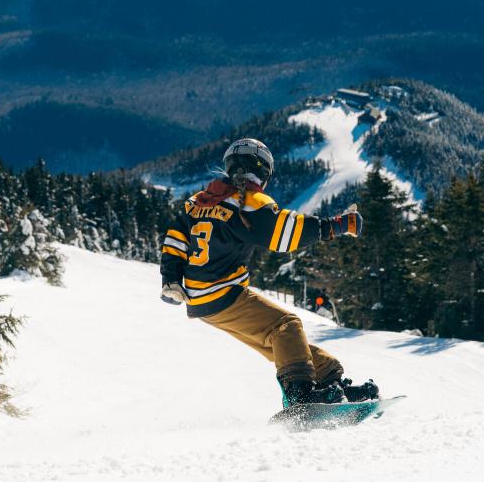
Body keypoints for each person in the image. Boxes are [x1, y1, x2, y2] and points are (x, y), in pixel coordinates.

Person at [159, 138, 379, 406]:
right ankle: (300, 397)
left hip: (199, 298)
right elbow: (285, 233)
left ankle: (331, 382)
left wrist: (170, 280)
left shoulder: (199, 202)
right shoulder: (246, 202)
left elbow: (174, 239)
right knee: (285, 326)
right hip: (222, 293)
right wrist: (337, 225)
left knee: (280, 341)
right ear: (263, 172)